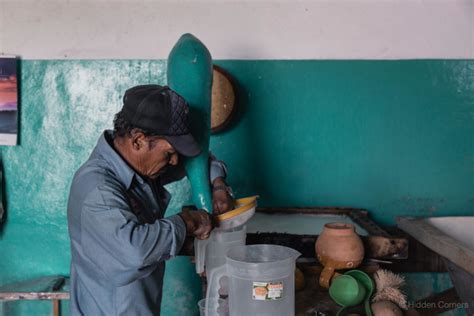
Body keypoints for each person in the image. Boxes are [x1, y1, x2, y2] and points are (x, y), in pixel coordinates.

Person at [67, 85, 234, 315]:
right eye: (169, 153)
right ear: (138, 140)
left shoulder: (140, 167)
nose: (175, 161)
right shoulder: (98, 188)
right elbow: (135, 251)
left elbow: (199, 162)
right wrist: (187, 222)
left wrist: (218, 184)